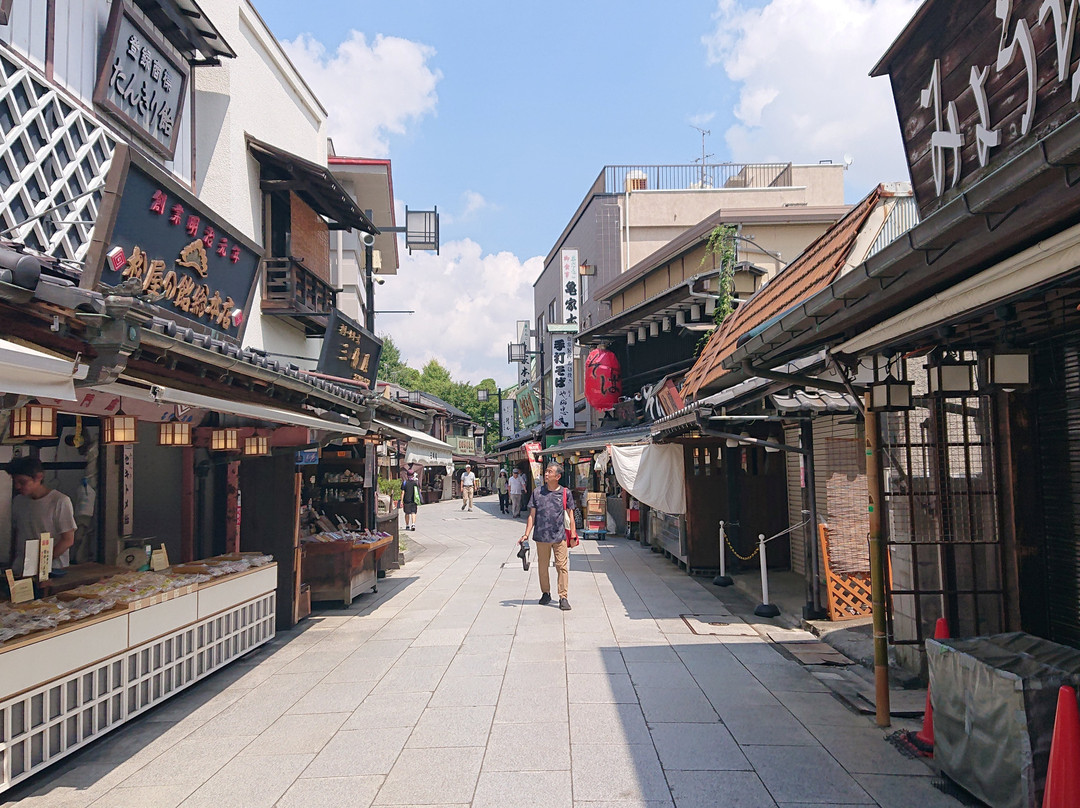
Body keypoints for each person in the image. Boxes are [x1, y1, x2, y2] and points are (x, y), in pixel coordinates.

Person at [517, 462, 577, 611]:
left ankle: (563, 597)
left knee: (562, 566)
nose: (546, 474)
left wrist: (573, 534)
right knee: (542, 567)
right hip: (541, 536)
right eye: (546, 471)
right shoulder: (537, 492)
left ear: (558, 476)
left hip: (560, 536)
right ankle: (546, 593)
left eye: (550, 472)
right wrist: (526, 534)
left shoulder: (565, 493)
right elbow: (532, 515)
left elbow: (570, 515)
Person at [6, 457, 76, 575]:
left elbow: (68, 540)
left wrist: (41, 563)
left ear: (39, 477)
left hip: (52, 569)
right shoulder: (18, 501)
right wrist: (12, 563)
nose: (17, 486)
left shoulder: (59, 501)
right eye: (15, 481)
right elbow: (16, 534)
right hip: (21, 567)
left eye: (22, 482)